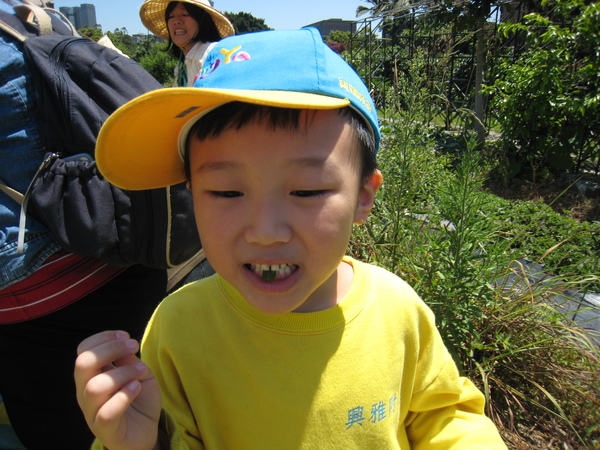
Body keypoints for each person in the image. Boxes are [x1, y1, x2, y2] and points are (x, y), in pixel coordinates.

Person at [75, 28, 507, 449]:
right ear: (193, 198)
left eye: (306, 191)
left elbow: (444, 415)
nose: (265, 231)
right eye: (226, 192)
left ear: (362, 196)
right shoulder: (178, 331)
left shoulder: (397, 311)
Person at [0, 0, 207, 448]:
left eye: (185, 15)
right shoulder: (36, 24)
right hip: (129, 236)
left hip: (47, 289)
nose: (177, 23)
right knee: (151, 412)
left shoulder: (206, 54)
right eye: (173, 17)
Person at [140, 0, 235, 87]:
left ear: (202, 20)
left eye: (185, 14)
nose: (176, 21)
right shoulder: (183, 65)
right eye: (171, 16)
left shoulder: (209, 55)